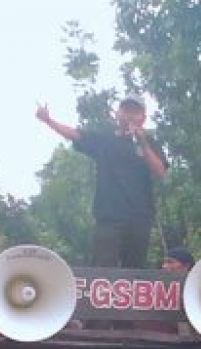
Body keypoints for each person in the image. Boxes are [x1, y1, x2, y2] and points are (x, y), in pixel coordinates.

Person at [36, 95, 168, 268]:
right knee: (103, 268)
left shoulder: (150, 143)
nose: (130, 116)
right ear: (118, 114)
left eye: (135, 112)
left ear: (143, 117)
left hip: (140, 217)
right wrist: (48, 120)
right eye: (126, 110)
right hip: (109, 217)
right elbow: (75, 135)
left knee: (135, 270)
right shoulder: (105, 139)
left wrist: (142, 142)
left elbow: (160, 171)